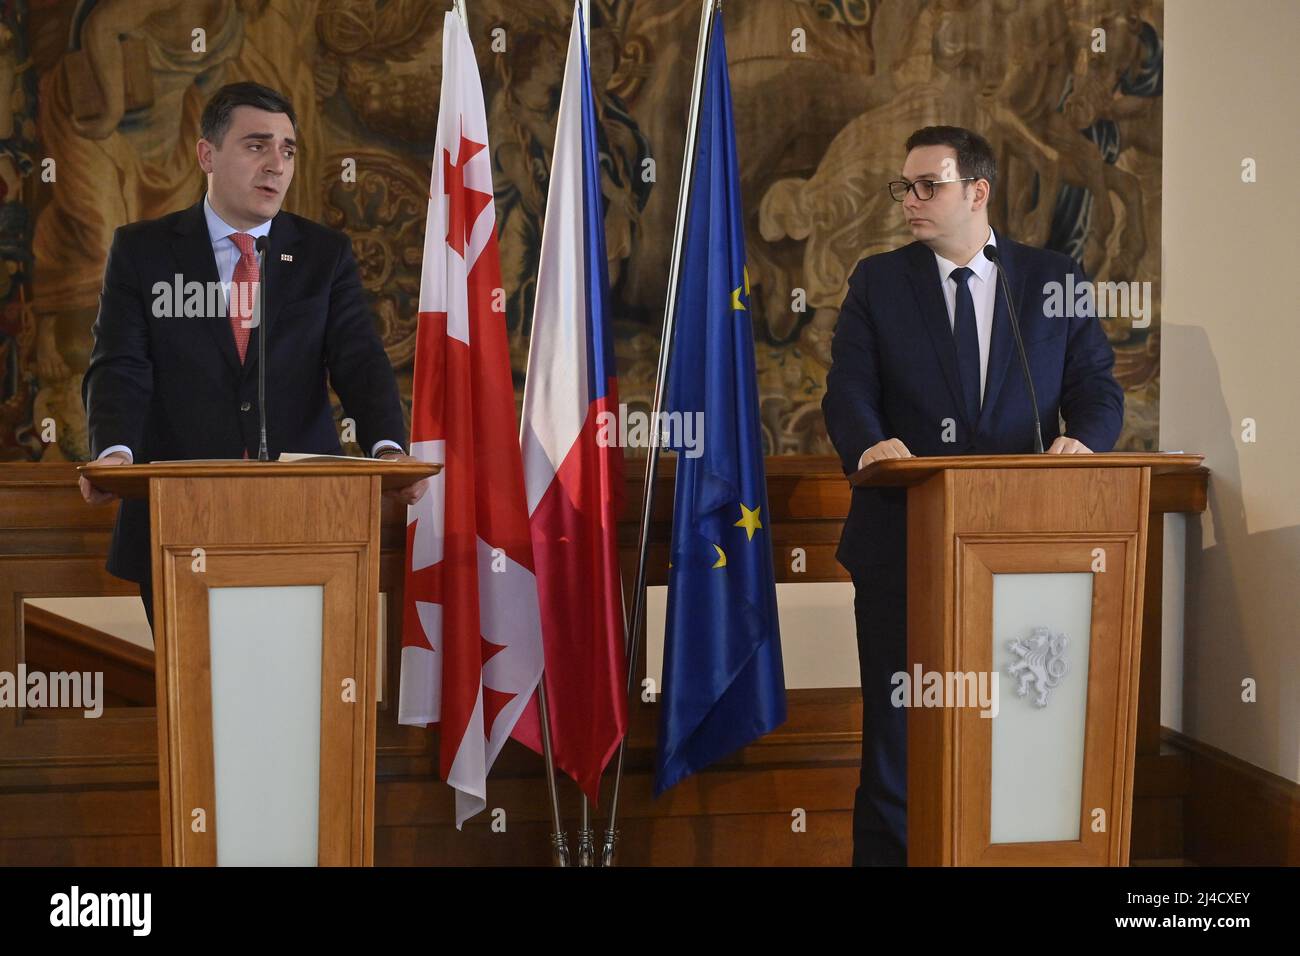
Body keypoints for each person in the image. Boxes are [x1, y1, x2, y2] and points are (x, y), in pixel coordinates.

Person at [822, 125, 1125, 865]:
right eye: (905, 187)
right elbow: (847, 393)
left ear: (977, 192)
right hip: (904, 541)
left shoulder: (1052, 278)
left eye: (928, 186)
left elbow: (1097, 391)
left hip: (1028, 551)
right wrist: (872, 447)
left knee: (1021, 723)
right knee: (901, 727)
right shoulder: (878, 281)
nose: (910, 202)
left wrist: (1083, 444)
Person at [79, 81, 427, 626]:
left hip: (305, 522)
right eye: (256, 145)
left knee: (300, 707)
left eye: (287, 150)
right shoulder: (142, 251)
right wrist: (114, 453)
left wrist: (387, 446)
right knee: (198, 702)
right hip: (180, 521)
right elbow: (121, 365)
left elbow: (358, 359)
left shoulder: (322, 255)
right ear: (207, 154)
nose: (276, 165)